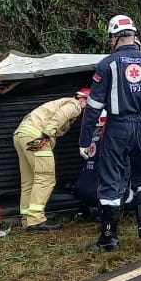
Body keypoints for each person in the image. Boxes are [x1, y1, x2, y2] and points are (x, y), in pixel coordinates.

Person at [79, 15, 141, 251]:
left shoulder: (107, 65)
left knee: (111, 179)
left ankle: (109, 237)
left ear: (113, 38)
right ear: (134, 36)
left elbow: (93, 107)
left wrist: (84, 139)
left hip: (117, 127)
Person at [13, 89, 90, 231]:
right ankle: (36, 220)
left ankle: (26, 218)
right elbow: (60, 116)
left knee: (29, 180)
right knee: (45, 178)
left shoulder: (61, 102)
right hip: (37, 137)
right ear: (84, 99)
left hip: (21, 135)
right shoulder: (74, 105)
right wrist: (47, 134)